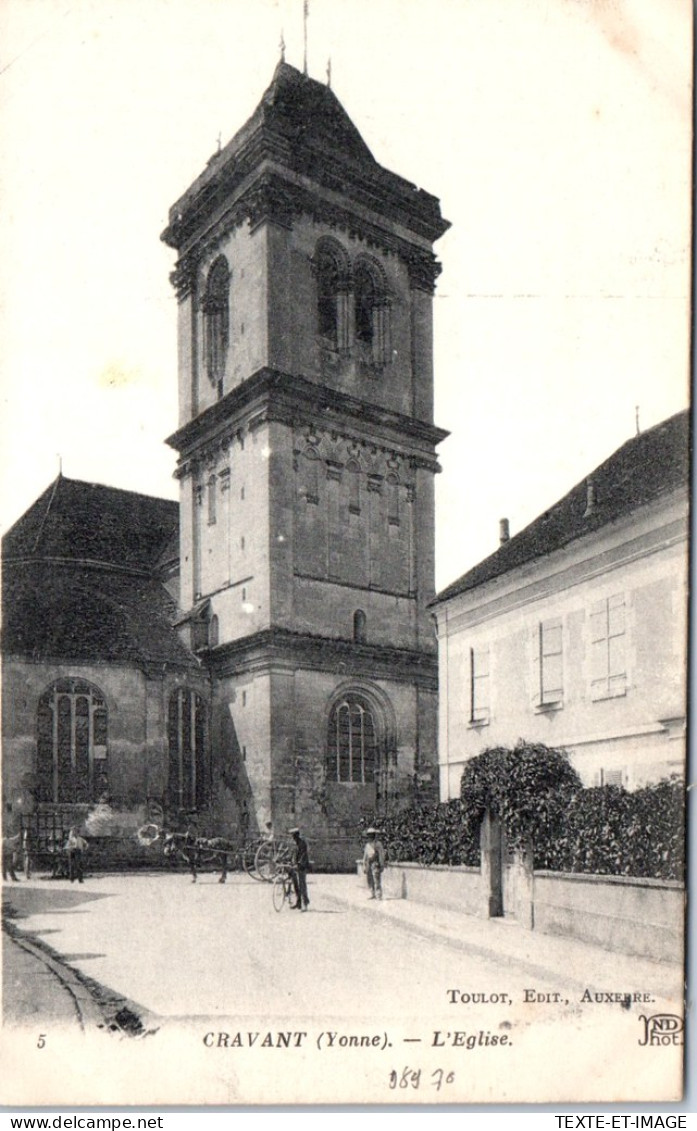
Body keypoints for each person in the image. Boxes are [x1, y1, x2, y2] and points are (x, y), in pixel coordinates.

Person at [289, 827, 310, 911]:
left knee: (302, 885)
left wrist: (299, 864)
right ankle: (298, 903)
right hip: (294, 867)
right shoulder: (294, 843)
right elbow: (292, 854)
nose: (292, 837)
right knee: (296, 885)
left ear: (296, 835)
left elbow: (303, 855)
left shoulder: (302, 843)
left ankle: (305, 903)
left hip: (301, 867)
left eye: (293, 835)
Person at [363, 827, 385, 900]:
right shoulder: (367, 845)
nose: (370, 836)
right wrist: (364, 865)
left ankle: (378, 894)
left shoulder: (378, 844)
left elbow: (381, 854)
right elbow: (365, 856)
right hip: (369, 863)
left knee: (376, 879)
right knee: (369, 879)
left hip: (375, 863)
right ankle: (372, 893)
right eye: (369, 835)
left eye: (372, 835)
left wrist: (382, 864)